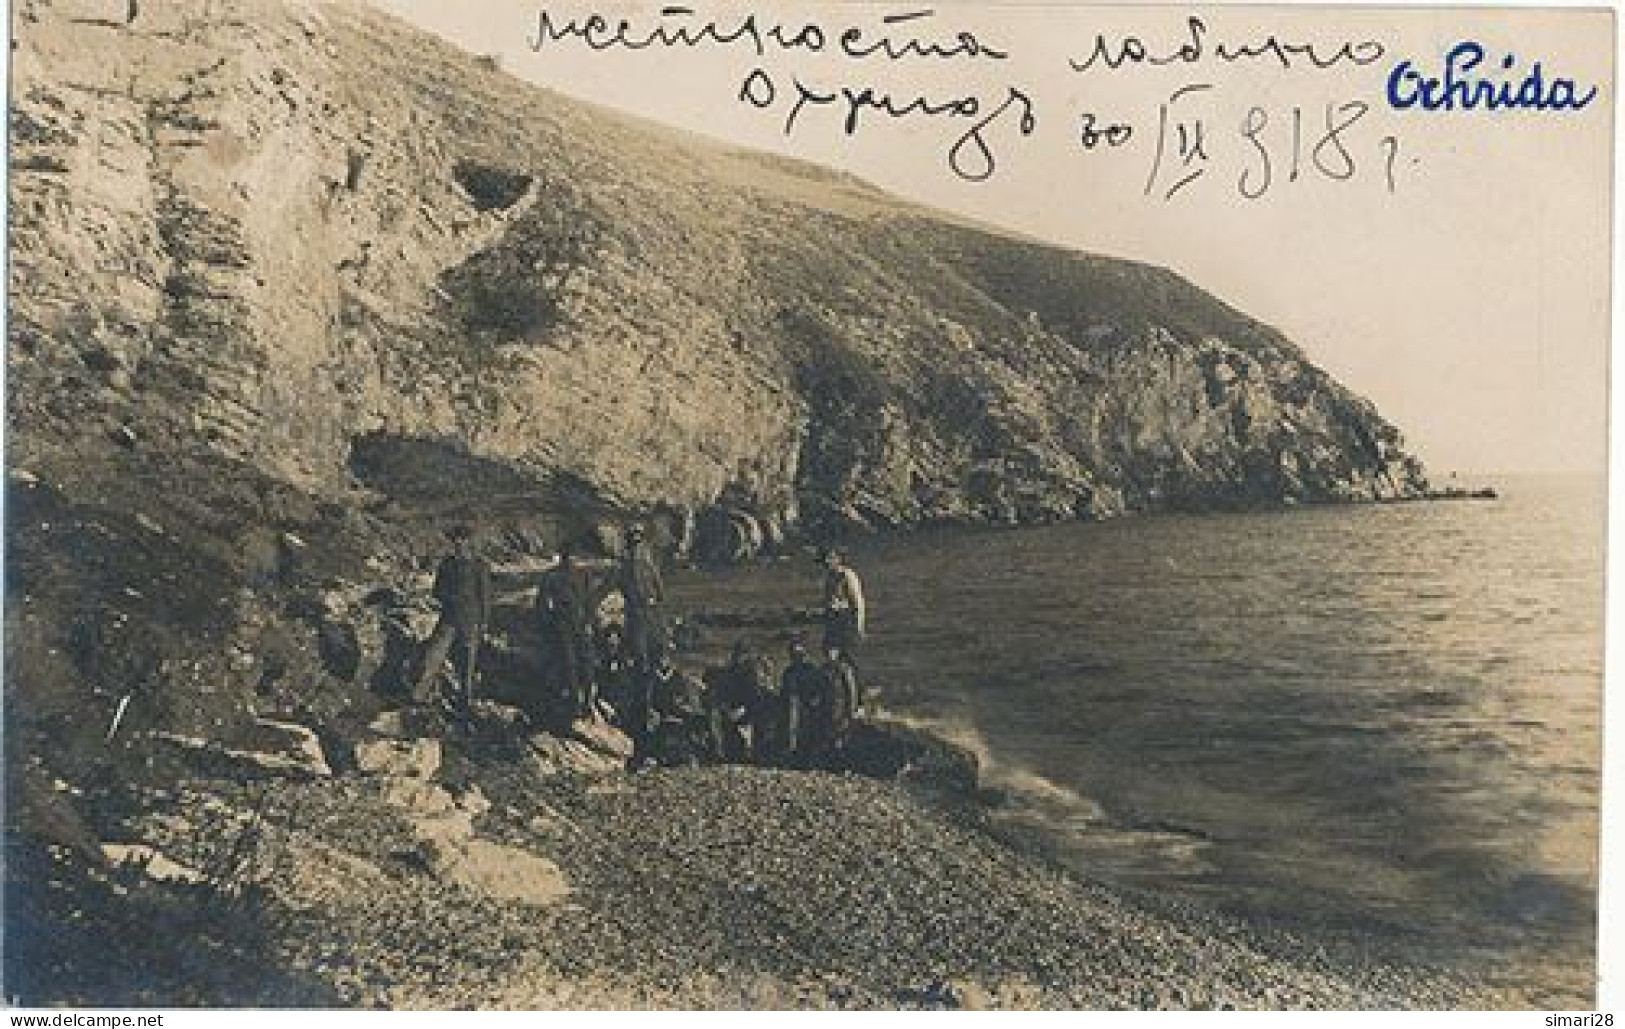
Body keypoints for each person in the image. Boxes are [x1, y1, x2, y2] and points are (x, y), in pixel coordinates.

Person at [413, 524, 493, 723]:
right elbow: (436, 592)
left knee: (467, 664)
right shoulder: (447, 565)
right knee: (432, 656)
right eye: (455, 540)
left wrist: (483, 624)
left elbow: (485, 598)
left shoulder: (479, 566)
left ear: (469, 542)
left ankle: (466, 702)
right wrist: (449, 598)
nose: (458, 543)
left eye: (462, 539)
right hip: (448, 619)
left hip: (470, 621)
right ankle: (417, 697)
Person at [535, 542, 596, 721]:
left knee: (582, 663)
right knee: (571, 664)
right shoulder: (554, 576)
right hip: (567, 625)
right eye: (568, 557)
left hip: (575, 625)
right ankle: (577, 702)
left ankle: (584, 701)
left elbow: (590, 601)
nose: (570, 560)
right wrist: (550, 623)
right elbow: (542, 604)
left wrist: (589, 621)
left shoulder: (577, 575)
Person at [704, 640, 774, 764]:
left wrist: (744, 710)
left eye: (744, 655)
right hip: (730, 714)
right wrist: (728, 710)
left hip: (750, 714)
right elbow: (719, 697)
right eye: (739, 655)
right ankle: (719, 751)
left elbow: (759, 698)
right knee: (715, 714)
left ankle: (756, 751)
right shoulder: (726, 675)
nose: (741, 659)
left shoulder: (753, 676)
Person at [820, 546, 867, 706]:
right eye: (824, 560)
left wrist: (858, 626)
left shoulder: (847, 575)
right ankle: (837, 694)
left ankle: (858, 697)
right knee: (830, 655)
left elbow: (858, 603)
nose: (826, 562)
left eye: (829, 559)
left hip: (845, 620)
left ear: (837, 559)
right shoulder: (829, 576)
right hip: (833, 620)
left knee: (846, 658)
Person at [619, 523, 666, 674]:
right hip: (641, 601)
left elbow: (651, 575)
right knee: (645, 630)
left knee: (642, 631)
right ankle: (647, 660)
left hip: (640, 601)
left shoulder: (633, 557)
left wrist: (657, 593)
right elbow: (653, 575)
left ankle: (646, 661)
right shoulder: (639, 556)